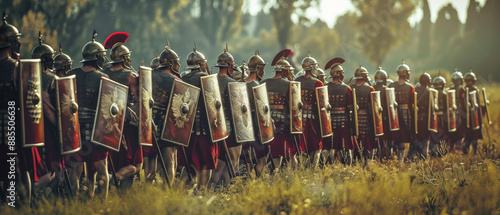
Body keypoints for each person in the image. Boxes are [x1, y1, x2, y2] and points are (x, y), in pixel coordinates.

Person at [66, 30, 110, 199]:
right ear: (97, 57)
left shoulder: (71, 75)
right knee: (101, 168)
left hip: (74, 128)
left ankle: (73, 204)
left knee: (75, 169)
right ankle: (102, 205)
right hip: (95, 131)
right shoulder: (103, 78)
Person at [0, 12, 34, 205]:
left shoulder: (18, 67)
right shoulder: (17, 68)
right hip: (13, 123)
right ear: (12, 43)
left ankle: (10, 204)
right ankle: (21, 206)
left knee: (9, 171)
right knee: (18, 170)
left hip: (10, 124)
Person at [102, 32, 143, 189]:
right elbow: (140, 101)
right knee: (135, 164)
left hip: (107, 123)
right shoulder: (131, 76)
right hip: (127, 124)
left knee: (114, 159)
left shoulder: (104, 74)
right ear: (126, 58)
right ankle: (114, 179)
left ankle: (116, 188)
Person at [181, 44, 218, 192]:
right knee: (206, 164)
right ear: (202, 64)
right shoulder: (205, 78)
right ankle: (202, 192)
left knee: (189, 165)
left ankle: (180, 193)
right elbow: (214, 104)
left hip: (186, 131)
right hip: (204, 129)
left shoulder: (182, 78)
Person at [146, 42, 182, 185]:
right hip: (167, 127)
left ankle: (147, 192)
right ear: (172, 64)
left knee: (150, 162)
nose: (178, 65)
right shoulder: (175, 81)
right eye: (176, 62)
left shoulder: (148, 76)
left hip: (149, 124)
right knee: (169, 162)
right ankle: (168, 192)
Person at [30, 32, 62, 194]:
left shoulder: (27, 78)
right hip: (48, 129)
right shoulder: (52, 79)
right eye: (50, 58)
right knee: (52, 167)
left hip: (30, 128)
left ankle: (40, 196)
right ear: (45, 60)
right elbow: (55, 110)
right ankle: (34, 193)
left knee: (34, 168)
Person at [260, 52, 299, 169]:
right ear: (284, 71)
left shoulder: (263, 83)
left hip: (266, 124)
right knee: (285, 156)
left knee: (273, 154)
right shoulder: (289, 85)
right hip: (283, 126)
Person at [210, 45, 241, 187]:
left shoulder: (210, 82)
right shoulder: (233, 84)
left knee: (219, 162)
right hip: (231, 129)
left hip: (213, 129)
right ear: (229, 65)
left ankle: (212, 190)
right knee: (233, 161)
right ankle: (224, 190)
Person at [242, 51, 270, 176]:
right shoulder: (257, 87)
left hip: (243, 127)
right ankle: (257, 180)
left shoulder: (239, 84)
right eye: (262, 69)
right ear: (257, 69)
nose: (263, 73)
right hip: (256, 126)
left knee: (247, 157)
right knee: (263, 156)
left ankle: (249, 181)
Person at [295, 53, 323, 168]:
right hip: (312, 119)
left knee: (303, 145)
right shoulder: (317, 82)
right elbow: (321, 104)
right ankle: (312, 169)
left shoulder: (297, 81)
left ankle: (302, 168)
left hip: (299, 119)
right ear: (311, 67)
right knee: (315, 145)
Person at [323, 57, 354, 165]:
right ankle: (347, 168)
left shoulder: (325, 88)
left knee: (328, 146)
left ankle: (325, 167)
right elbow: (351, 108)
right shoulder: (347, 89)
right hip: (343, 123)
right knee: (345, 147)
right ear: (340, 75)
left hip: (329, 122)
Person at [388, 61, 415, 163]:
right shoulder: (410, 87)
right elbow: (412, 104)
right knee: (402, 139)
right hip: (405, 114)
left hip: (393, 114)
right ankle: (400, 162)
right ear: (406, 74)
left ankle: (393, 159)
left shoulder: (391, 86)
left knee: (395, 137)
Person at [349, 66, 376, 161]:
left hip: (352, 118)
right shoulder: (370, 89)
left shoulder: (350, 88)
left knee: (356, 139)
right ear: (364, 76)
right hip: (365, 119)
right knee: (365, 141)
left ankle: (355, 161)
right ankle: (365, 161)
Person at [411, 72, 432, 159]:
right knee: (425, 136)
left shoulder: (415, 89)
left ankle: (413, 154)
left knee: (416, 134)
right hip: (425, 118)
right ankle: (423, 154)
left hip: (416, 117)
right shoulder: (429, 91)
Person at [373, 67, 392, 160]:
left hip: (374, 117)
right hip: (384, 117)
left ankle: (379, 154)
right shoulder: (386, 89)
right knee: (384, 138)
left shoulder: (372, 88)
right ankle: (384, 155)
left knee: (377, 137)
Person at [463, 71, 483, 155]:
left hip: (474, 116)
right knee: (470, 134)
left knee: (474, 134)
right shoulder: (464, 90)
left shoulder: (474, 90)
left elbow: (477, 104)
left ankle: (473, 152)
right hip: (467, 117)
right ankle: (467, 151)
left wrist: (483, 106)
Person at [429, 75, 448, 157]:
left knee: (440, 135)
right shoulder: (444, 94)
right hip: (438, 118)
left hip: (438, 118)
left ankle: (439, 151)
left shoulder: (432, 94)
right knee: (436, 135)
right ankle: (435, 151)